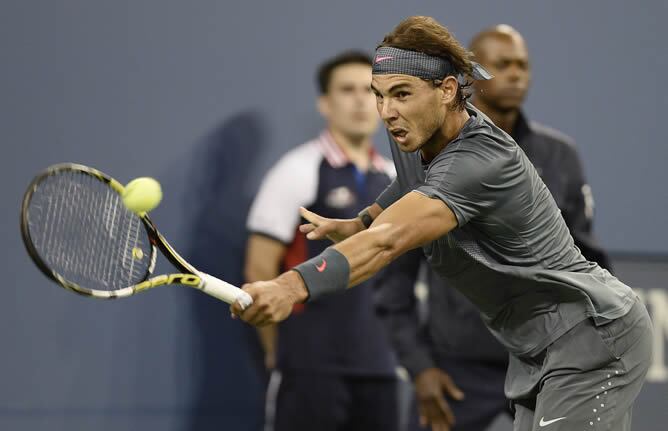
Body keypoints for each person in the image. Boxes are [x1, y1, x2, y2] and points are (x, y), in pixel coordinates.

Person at [234, 16, 652, 431]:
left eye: (401, 94)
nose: (386, 112)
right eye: (378, 95)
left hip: (593, 338)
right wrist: (363, 220)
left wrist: (290, 286)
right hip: (534, 346)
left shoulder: (477, 161)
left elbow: (387, 243)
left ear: (447, 90)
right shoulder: (417, 136)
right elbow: (406, 187)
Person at [375, 24, 615, 431]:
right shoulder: (425, 149)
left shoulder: (559, 156)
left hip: (544, 359)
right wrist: (419, 367)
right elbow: (395, 275)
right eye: (502, 65)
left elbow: (587, 261)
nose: (516, 74)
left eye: (523, 65)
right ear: (467, 77)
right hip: (456, 369)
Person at [244, 50, 399, 431]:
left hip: (381, 366)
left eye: (371, 91)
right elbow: (259, 269)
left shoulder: (398, 179)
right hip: (309, 368)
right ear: (324, 104)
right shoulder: (295, 171)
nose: (362, 101)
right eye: (348, 90)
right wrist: (277, 353)